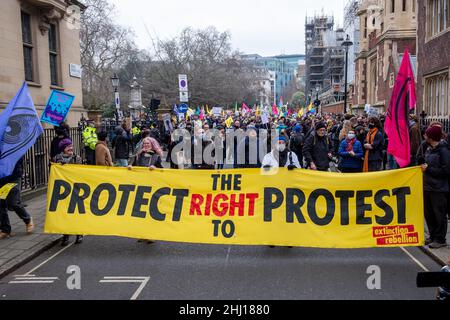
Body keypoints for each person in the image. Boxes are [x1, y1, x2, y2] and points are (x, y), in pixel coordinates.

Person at [421, 126, 450, 249]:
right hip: (428, 186)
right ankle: (432, 236)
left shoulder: (443, 151)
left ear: (431, 137)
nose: (424, 136)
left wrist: (429, 169)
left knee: (439, 214)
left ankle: (440, 239)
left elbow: (446, 171)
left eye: (426, 135)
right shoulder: (428, 149)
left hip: (439, 188)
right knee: (429, 214)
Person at [52, 139, 84, 246]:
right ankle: (65, 235)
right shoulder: (56, 158)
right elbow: (53, 173)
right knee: (64, 214)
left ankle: (79, 234)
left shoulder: (77, 158)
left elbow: (80, 172)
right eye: (67, 147)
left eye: (71, 146)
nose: (70, 148)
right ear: (63, 149)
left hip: (75, 189)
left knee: (75, 213)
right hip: (62, 191)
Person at [0, 157, 34, 239]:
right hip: (1, 179)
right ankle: (5, 230)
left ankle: (28, 220)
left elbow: (18, 157)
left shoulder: (11, 145)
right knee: (1, 204)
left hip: (13, 177)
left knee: (13, 202)